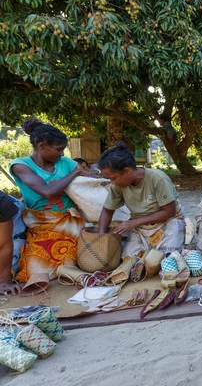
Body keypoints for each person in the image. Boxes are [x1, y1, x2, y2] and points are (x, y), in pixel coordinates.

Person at [9, 119, 86, 282]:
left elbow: (91, 176)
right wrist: (76, 172)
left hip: (70, 224)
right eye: (59, 150)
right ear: (42, 146)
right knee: (32, 272)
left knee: (87, 260)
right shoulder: (20, 165)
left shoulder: (64, 163)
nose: (62, 154)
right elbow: (47, 192)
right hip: (41, 225)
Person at [97, 143, 185, 258]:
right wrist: (101, 237)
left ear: (127, 171)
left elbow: (169, 211)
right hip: (141, 225)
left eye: (113, 178)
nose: (112, 182)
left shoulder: (157, 179)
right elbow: (107, 211)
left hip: (168, 221)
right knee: (128, 259)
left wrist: (134, 223)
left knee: (167, 258)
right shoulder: (117, 186)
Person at [0, 191, 23, 295]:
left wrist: (4, 282)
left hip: (11, 221)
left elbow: (4, 245)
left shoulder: (3, 203)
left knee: (11, 264)